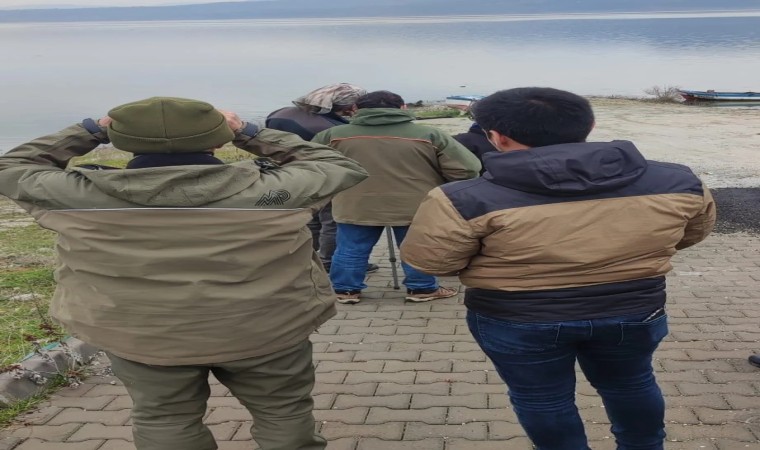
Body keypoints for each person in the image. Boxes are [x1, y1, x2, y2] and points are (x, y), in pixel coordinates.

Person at [0, 97, 369, 450]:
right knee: (284, 413)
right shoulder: (277, 192)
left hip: (142, 336)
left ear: (122, 141)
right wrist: (248, 132)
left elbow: (10, 166)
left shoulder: (72, 196)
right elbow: (338, 165)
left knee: (164, 418)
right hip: (267, 330)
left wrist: (90, 130)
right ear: (217, 139)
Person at [401, 87, 715, 450]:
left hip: (518, 317)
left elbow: (433, 261)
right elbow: (691, 233)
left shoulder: (463, 197)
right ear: (590, 125)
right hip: (633, 308)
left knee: (542, 398)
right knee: (631, 383)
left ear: (497, 137)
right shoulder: (678, 181)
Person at [313, 90, 482, 304]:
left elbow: (312, 165)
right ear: (403, 107)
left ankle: (345, 290)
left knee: (350, 248)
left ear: (356, 109)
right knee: (417, 248)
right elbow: (467, 168)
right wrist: (442, 183)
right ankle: (422, 289)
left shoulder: (332, 135)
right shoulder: (429, 134)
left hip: (354, 203)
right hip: (416, 204)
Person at [266, 83, 378, 273]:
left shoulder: (280, 114)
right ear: (348, 106)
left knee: (310, 220)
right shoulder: (332, 127)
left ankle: (304, 259)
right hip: (325, 177)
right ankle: (328, 261)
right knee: (331, 222)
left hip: (288, 174)